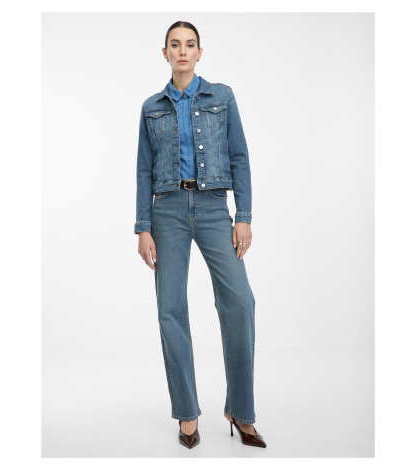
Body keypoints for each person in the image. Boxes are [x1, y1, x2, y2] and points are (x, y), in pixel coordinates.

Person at [134, 20, 266, 449]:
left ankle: (240, 409)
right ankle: (187, 413)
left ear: (199, 52)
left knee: (240, 301)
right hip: (167, 211)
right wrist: (143, 227)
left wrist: (243, 215)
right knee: (170, 308)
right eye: (175, 45)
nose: (182, 51)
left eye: (189, 44)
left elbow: (239, 156)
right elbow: (143, 170)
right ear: (165, 53)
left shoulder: (221, 97)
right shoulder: (151, 107)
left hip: (212, 208)